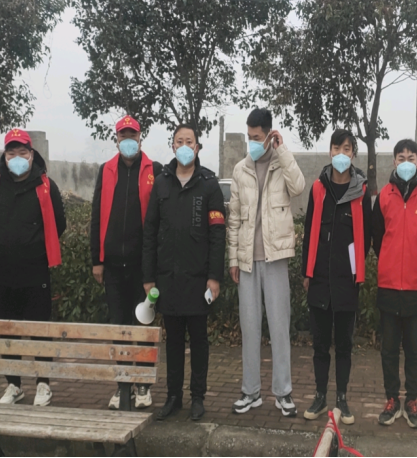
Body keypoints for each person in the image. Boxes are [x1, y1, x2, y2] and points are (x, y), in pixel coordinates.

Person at [142, 124, 226, 421]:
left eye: (189, 141)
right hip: (168, 278)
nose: (184, 146)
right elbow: (150, 231)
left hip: (198, 279)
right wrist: (148, 277)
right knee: (173, 341)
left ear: (197, 147)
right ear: (173, 146)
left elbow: (217, 234)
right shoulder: (161, 183)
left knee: (199, 340)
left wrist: (214, 276)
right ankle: (173, 397)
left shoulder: (209, 184)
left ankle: (197, 397)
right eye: (179, 141)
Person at [0, 129, 66, 406]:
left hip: (36, 271)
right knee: (7, 330)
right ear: (4, 156)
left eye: (22, 152)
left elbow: (59, 223)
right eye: (11, 153)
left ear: (31, 154)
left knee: (40, 328)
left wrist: (36, 245)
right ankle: (14, 384)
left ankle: (43, 383)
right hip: (3, 272)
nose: (17, 157)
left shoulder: (46, 185)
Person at [228, 108, 305, 417]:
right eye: (249, 137)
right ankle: (251, 391)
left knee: (279, 327)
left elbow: (298, 187)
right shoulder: (240, 169)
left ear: (270, 135)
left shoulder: (280, 164)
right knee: (249, 328)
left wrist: (282, 151)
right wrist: (233, 259)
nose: (252, 143)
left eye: (257, 137)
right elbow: (234, 218)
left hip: (275, 259)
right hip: (247, 260)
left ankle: (283, 393)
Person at [90, 115, 163, 410]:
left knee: (142, 325)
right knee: (118, 326)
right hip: (112, 266)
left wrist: (153, 266)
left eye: (132, 135)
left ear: (140, 138)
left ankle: (142, 384)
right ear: (117, 139)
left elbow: (159, 220)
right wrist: (97, 260)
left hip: (142, 267)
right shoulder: (106, 170)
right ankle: (122, 385)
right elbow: (97, 215)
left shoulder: (154, 170)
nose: (128, 140)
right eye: (123, 136)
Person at [301, 129, 372, 425]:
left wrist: (357, 272)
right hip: (319, 278)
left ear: (353, 154)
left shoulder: (361, 191)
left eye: (347, 149)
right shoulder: (318, 188)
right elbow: (309, 231)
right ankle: (320, 396)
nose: (341, 153)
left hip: (346, 280)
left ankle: (342, 398)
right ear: (329, 151)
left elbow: (365, 237)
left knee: (344, 345)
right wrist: (306, 271)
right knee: (320, 345)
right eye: (336, 148)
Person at [372, 139, 417, 429]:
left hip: (416, 285)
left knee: (414, 348)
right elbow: (377, 238)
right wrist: (390, 259)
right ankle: (391, 398)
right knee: (389, 348)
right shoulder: (384, 196)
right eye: (401, 158)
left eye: (411, 157)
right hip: (389, 284)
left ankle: (411, 400)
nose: (406, 162)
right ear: (394, 162)